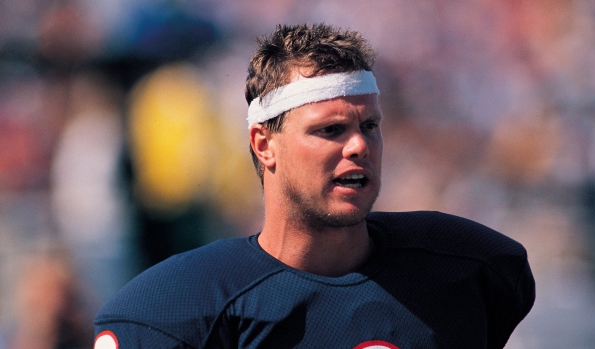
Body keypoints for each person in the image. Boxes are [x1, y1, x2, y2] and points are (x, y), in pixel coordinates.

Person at [93, 23, 535, 349]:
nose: (359, 144)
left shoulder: (468, 267)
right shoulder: (179, 307)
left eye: (371, 125)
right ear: (265, 145)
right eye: (331, 130)